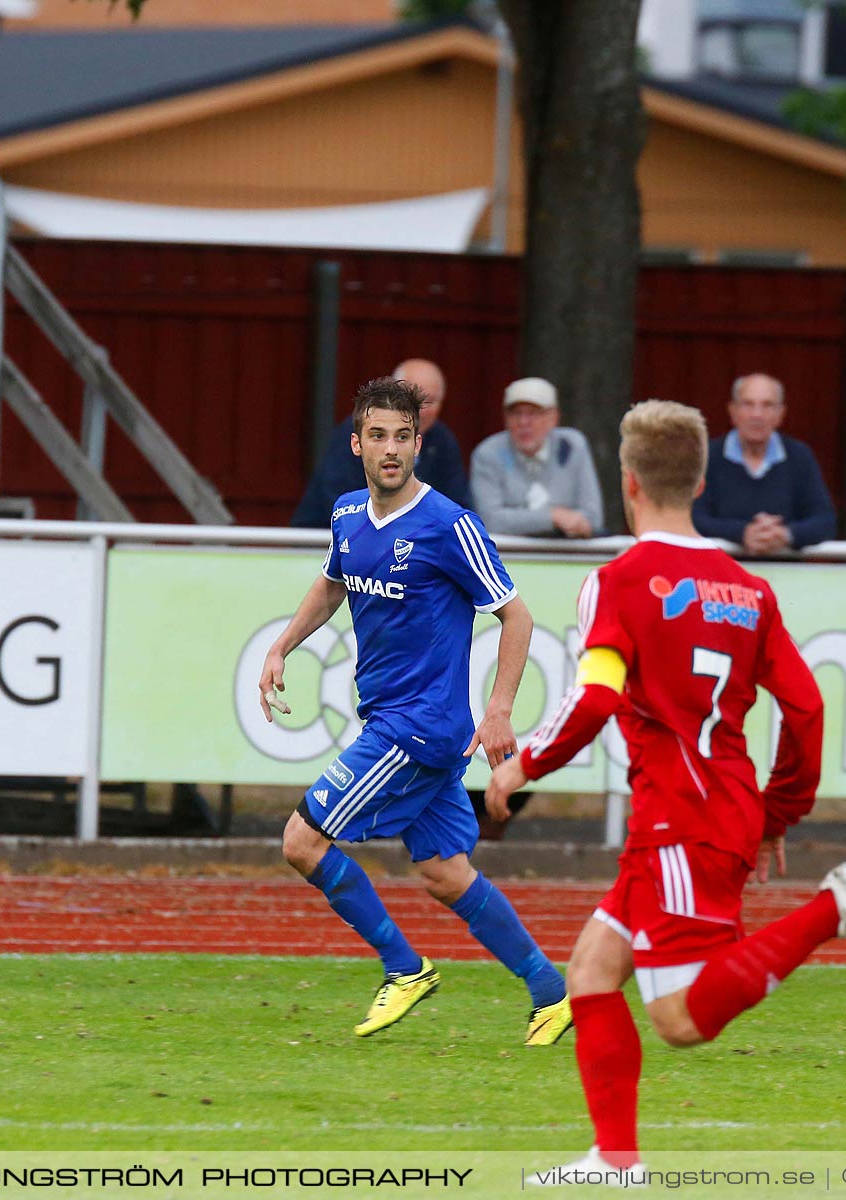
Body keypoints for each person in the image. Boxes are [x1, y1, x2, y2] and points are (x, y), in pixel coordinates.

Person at [486, 399, 846, 1180]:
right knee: (590, 972)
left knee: (680, 1019)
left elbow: (594, 699)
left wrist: (524, 767)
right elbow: (808, 706)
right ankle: (616, 1161)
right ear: (698, 479)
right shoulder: (748, 589)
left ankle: (834, 910)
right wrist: (776, 812)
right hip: (716, 807)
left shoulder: (618, 581)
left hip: (678, 818)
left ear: (628, 484)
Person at [257, 375, 572, 1046]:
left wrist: (499, 710)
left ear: (418, 444)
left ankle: (404, 967)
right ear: (358, 444)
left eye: (402, 437)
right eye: (378, 436)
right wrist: (284, 645)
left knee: (301, 841)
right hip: (394, 721)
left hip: (419, 728)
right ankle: (551, 993)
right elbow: (333, 582)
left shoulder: (449, 525)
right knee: (444, 872)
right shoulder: (346, 515)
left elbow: (515, 616)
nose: (390, 449)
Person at [292, 358, 471, 526]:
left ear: (417, 444)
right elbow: (335, 497)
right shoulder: (361, 429)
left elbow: (456, 501)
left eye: (429, 402)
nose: (420, 411)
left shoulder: (443, 440)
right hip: (324, 538)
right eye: (379, 437)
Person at [693, 373, 837, 554]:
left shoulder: (799, 456)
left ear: (780, 414)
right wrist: (742, 533)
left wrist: (785, 534)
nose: (757, 414)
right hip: (720, 576)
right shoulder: (707, 456)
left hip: (786, 575)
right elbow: (693, 518)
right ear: (732, 411)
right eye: (748, 404)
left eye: (767, 405)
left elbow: (825, 521)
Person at [469, 377, 605, 539]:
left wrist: (521, 520)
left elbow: (593, 518)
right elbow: (489, 520)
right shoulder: (488, 453)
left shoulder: (572, 446)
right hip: (508, 557)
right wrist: (553, 517)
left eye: (533, 414)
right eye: (516, 414)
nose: (523, 422)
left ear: (553, 418)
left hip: (566, 555)